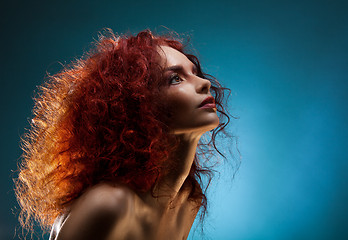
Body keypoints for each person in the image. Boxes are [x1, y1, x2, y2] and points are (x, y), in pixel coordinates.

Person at [15, 29, 232, 240]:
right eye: (175, 78)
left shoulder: (187, 200)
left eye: (194, 73)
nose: (205, 83)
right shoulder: (110, 203)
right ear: (140, 104)